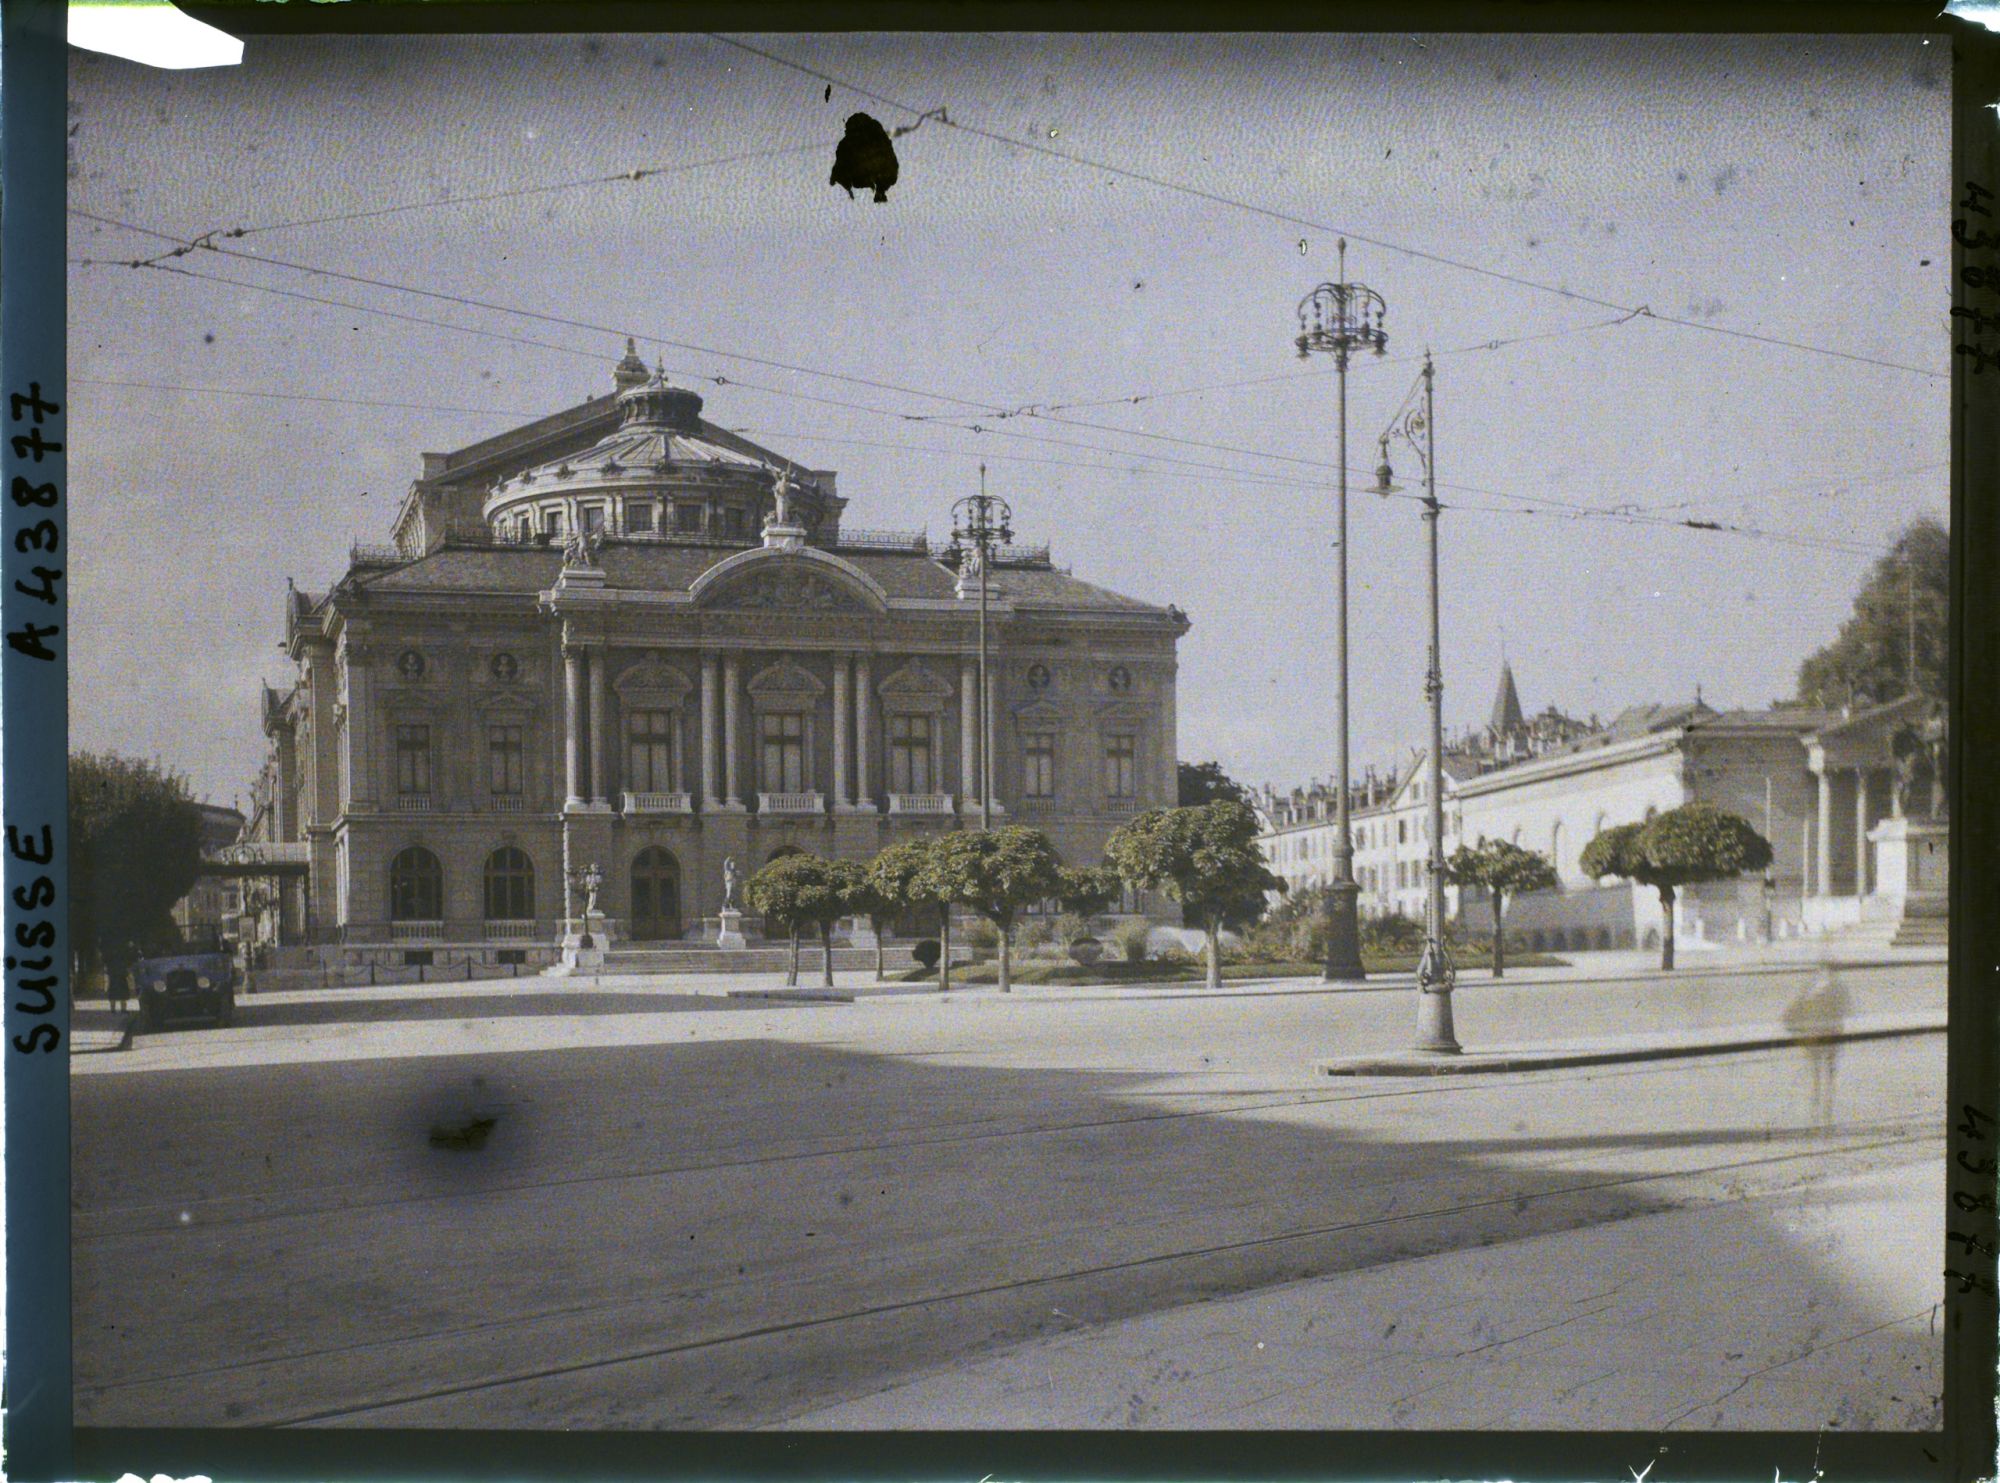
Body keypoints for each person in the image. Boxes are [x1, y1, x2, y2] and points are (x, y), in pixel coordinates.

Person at [1783, 967, 1852, 1125]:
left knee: (1816, 1074)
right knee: (1829, 1074)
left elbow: (1790, 1014)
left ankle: (1815, 1108)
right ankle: (1826, 1109)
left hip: (1814, 1036)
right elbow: (1847, 1010)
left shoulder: (1811, 988)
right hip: (1831, 1034)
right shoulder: (1838, 988)